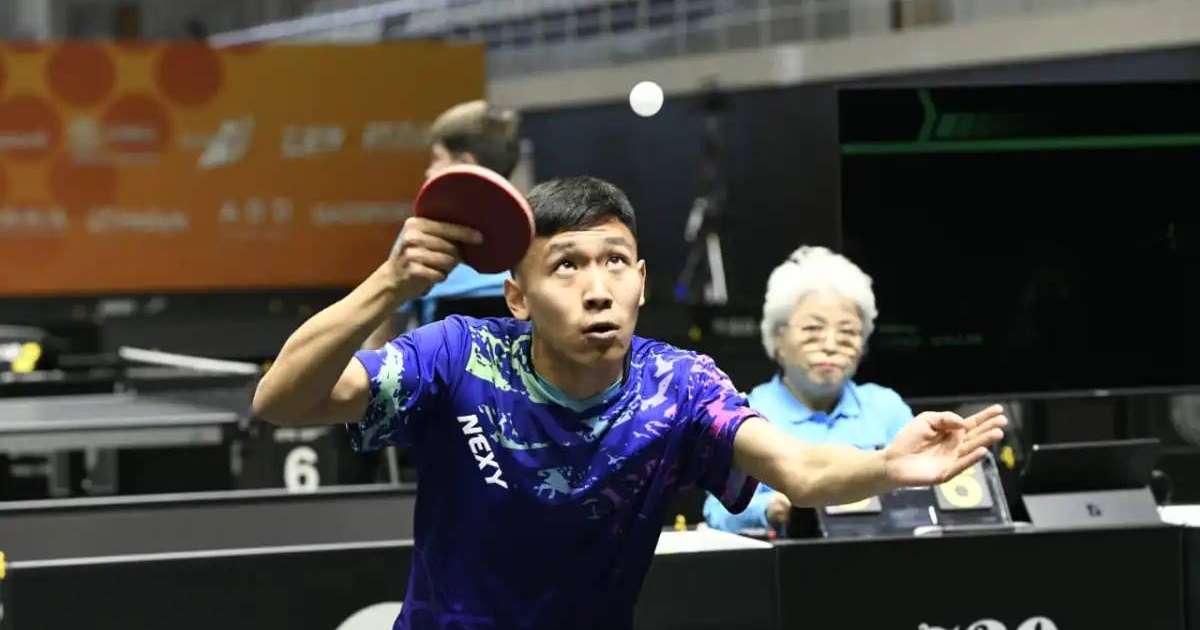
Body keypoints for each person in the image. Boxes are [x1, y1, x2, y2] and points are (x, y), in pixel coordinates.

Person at [253, 176, 1007, 629]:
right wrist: (390, 285)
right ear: (517, 295)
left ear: (643, 281)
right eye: (567, 265)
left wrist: (887, 464)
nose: (597, 285)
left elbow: (799, 470)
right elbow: (282, 400)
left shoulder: (678, 386)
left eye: (614, 261)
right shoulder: (458, 355)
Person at [704, 246, 913, 533]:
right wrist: (770, 509)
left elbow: (920, 498)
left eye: (848, 331)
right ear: (778, 338)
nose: (830, 343)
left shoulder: (887, 409)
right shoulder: (747, 414)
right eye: (813, 329)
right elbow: (717, 510)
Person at [362, 99, 522, 350]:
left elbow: (380, 341)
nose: (429, 171)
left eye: (436, 158)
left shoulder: (420, 235)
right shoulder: (534, 231)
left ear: (464, 164)